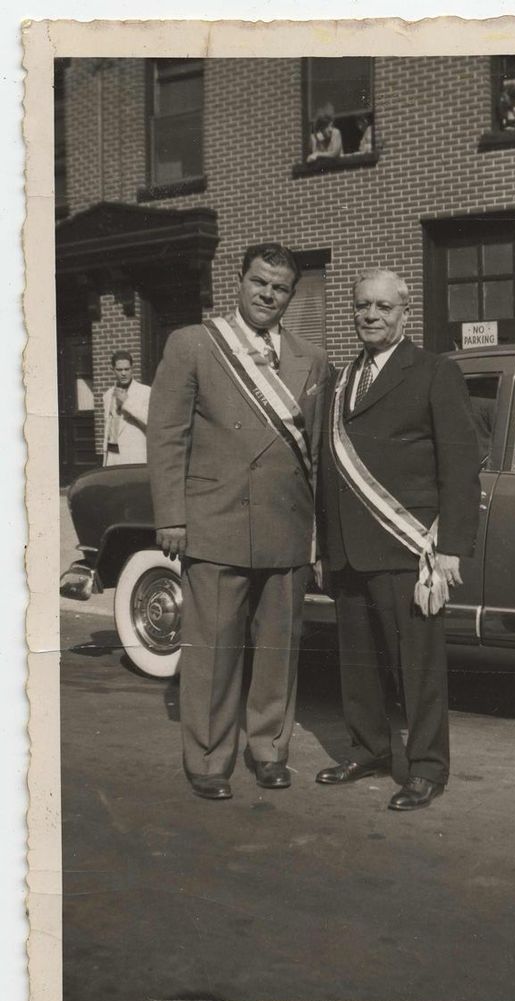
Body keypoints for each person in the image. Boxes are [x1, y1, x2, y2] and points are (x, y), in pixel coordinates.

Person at [147, 243, 329, 801]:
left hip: (286, 526)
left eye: (279, 288)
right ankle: (207, 757)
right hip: (216, 521)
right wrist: (172, 517)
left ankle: (268, 748)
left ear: (290, 298)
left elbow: (315, 454)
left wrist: (316, 535)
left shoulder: (311, 359)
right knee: (214, 650)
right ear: (240, 281)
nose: (267, 295)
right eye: (259, 282)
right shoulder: (193, 344)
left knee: (278, 650)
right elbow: (167, 435)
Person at [315, 269, 481, 811]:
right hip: (347, 547)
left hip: (407, 548)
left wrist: (452, 544)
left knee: (419, 667)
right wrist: (323, 545)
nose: (371, 315)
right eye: (362, 305)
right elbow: (326, 468)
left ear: (405, 314)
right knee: (357, 662)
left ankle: (428, 767)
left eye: (383, 307)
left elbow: (460, 464)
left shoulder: (434, 371)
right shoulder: (341, 380)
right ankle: (368, 749)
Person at [102, 351, 151, 466]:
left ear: (132, 369)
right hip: (113, 456)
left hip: (135, 455)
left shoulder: (145, 392)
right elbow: (108, 429)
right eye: (119, 370)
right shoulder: (108, 395)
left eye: (127, 369)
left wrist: (127, 402)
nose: (123, 373)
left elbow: (151, 421)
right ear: (113, 370)